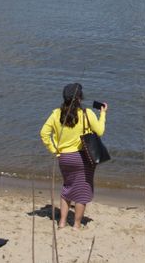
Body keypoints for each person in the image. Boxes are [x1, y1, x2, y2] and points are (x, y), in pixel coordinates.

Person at [39, 83, 107, 229]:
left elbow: (44, 133)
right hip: (82, 158)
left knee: (67, 188)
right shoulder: (87, 113)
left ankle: (62, 222)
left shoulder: (56, 114)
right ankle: (76, 225)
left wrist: (55, 150)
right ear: (80, 98)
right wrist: (103, 114)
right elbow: (100, 131)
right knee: (83, 191)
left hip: (64, 158)